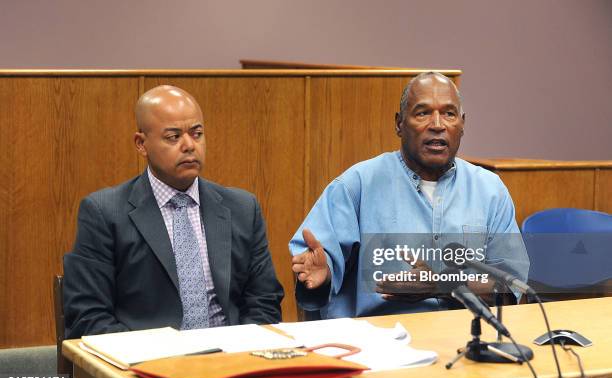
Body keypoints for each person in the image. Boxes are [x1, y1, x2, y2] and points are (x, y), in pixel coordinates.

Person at [290, 72, 529, 319]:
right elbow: (317, 264)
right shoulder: (357, 184)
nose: (438, 125)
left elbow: (510, 289)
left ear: (462, 124)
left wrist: (440, 285)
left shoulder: (490, 190)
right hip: (378, 341)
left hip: (464, 339)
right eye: (423, 113)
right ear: (399, 124)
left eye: (449, 113)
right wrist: (322, 274)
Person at [64, 85, 283, 338]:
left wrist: (239, 353)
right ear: (141, 144)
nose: (189, 145)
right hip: (147, 363)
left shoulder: (242, 208)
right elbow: (88, 314)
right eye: (173, 137)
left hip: (230, 358)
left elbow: (264, 301)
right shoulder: (104, 213)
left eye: (197, 133)